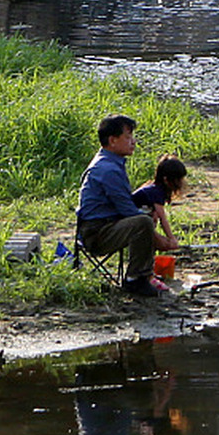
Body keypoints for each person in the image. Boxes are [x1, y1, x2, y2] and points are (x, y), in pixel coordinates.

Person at [75, 114, 174, 298]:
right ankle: (136, 279)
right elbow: (126, 210)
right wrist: (158, 238)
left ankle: (145, 272)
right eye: (128, 137)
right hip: (96, 233)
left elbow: (125, 205)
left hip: (105, 224)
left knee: (145, 215)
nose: (133, 142)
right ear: (112, 140)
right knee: (142, 221)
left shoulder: (111, 162)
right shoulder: (108, 169)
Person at [133, 155, 188, 253]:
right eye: (178, 180)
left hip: (139, 220)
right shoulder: (156, 192)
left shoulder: (154, 188)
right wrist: (171, 238)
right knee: (166, 244)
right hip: (131, 224)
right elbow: (163, 219)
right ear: (166, 180)